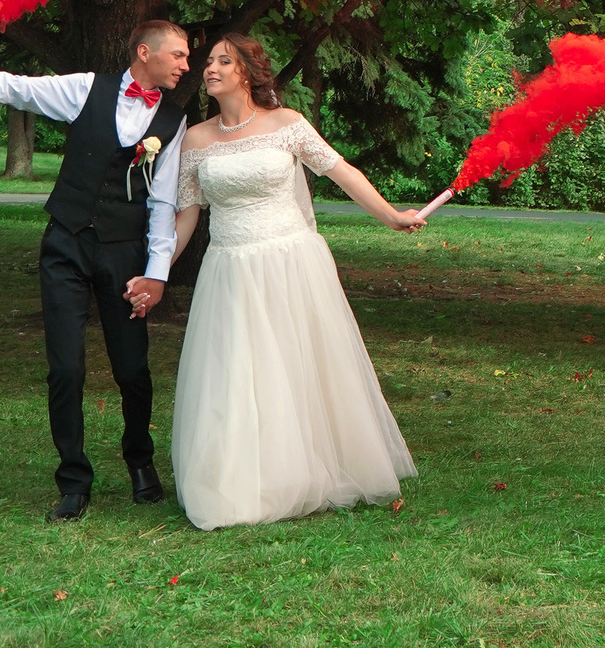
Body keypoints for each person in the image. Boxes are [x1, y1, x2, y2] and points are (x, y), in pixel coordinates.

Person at [0, 19, 192, 521]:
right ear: (145, 52)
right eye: (180, 55)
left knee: (132, 369)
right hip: (66, 245)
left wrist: (157, 272)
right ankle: (74, 481)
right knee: (66, 367)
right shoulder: (83, 89)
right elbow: (10, 87)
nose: (186, 65)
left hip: (124, 253)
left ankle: (140, 461)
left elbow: (163, 201)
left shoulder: (174, 120)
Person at [138, 33, 422, 529]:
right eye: (207, 62)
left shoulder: (287, 125)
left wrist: (390, 215)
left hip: (291, 261)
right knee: (237, 370)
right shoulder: (196, 139)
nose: (210, 68)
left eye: (223, 61)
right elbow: (186, 215)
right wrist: (155, 273)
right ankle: (244, 477)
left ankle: (309, 466)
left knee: (296, 364)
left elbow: (342, 171)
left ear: (246, 72)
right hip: (230, 268)